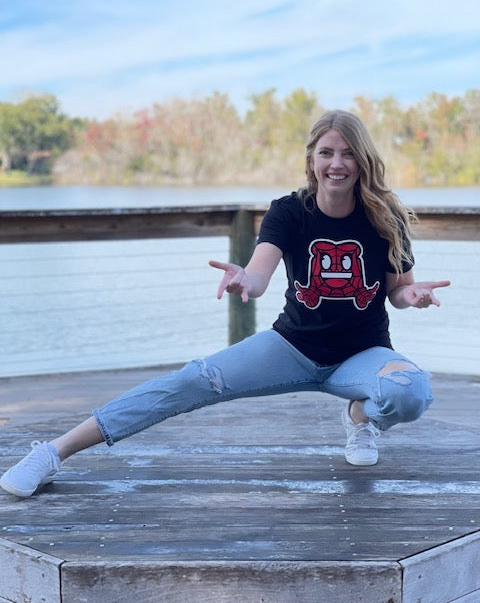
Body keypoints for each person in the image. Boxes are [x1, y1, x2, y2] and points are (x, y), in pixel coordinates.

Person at [0, 110, 450, 498]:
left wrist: (411, 296)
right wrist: (245, 281)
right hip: (291, 347)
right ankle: (51, 453)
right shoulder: (289, 211)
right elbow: (258, 275)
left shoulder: (384, 216)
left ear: (363, 160)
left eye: (348, 153)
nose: (337, 163)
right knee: (188, 381)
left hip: (362, 354)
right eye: (327, 152)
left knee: (411, 391)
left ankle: (358, 414)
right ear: (311, 160)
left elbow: (396, 290)